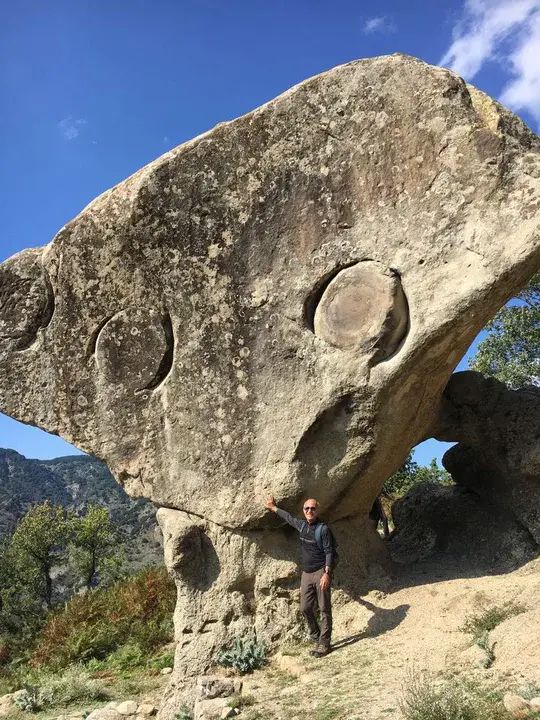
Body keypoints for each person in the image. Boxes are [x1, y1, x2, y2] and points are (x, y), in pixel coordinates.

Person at [264, 494, 336, 657]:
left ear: (317, 511)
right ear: (303, 511)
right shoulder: (302, 525)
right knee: (305, 607)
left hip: (320, 572)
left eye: (312, 508)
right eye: (307, 508)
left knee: (324, 608)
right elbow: (288, 517)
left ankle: (325, 644)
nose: (309, 511)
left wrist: (327, 573)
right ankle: (316, 637)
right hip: (306, 573)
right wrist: (273, 508)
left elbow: (329, 551)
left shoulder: (323, 529)